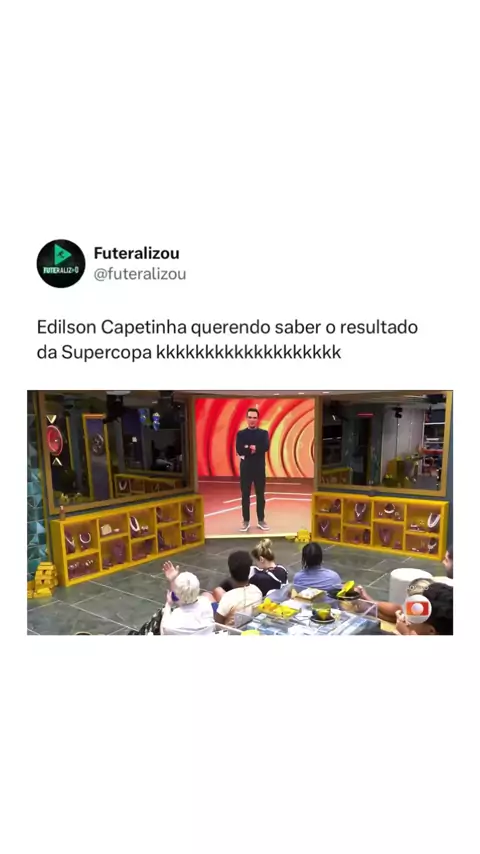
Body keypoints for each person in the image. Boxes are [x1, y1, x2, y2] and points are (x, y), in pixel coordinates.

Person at [236, 407, 270, 532]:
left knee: (260, 495)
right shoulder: (241, 434)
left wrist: (250, 448)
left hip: (259, 468)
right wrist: (254, 449)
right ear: (246, 418)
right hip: (246, 469)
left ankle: (261, 520)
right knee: (245, 495)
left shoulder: (263, 433)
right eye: (250, 417)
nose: (252, 420)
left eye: (254, 418)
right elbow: (240, 449)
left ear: (258, 419)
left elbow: (265, 447)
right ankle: (246, 521)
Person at [160, 562, 215, 635]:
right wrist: (173, 580)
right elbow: (182, 598)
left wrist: (168, 605)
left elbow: (163, 632)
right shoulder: (206, 604)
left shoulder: (172, 623)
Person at [210, 551, 263, 627]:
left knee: (207, 595)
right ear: (249, 570)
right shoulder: (257, 591)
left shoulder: (228, 597)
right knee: (218, 591)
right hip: (248, 625)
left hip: (230, 630)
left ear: (230, 571)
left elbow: (218, 624)